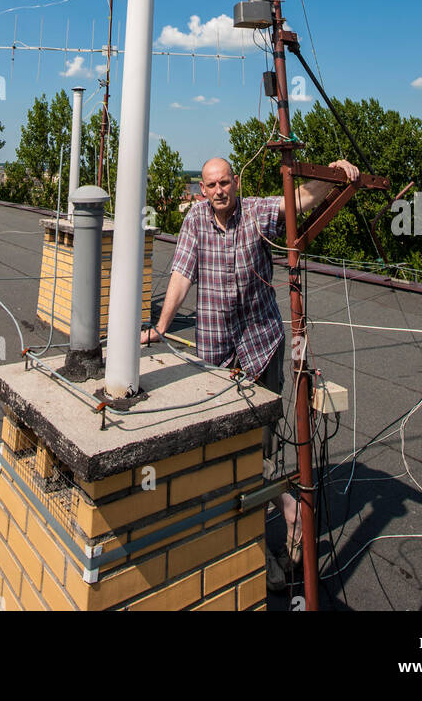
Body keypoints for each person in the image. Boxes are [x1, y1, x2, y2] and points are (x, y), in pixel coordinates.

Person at [141, 153, 360, 590]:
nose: (219, 190)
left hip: (260, 350)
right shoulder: (196, 222)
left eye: (225, 182)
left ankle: (280, 537)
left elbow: (296, 200)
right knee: (225, 453)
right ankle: (285, 522)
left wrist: (335, 177)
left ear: (234, 183)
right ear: (201, 190)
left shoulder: (256, 211)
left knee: (254, 451)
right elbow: (183, 273)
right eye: (210, 185)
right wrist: (161, 326)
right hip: (217, 354)